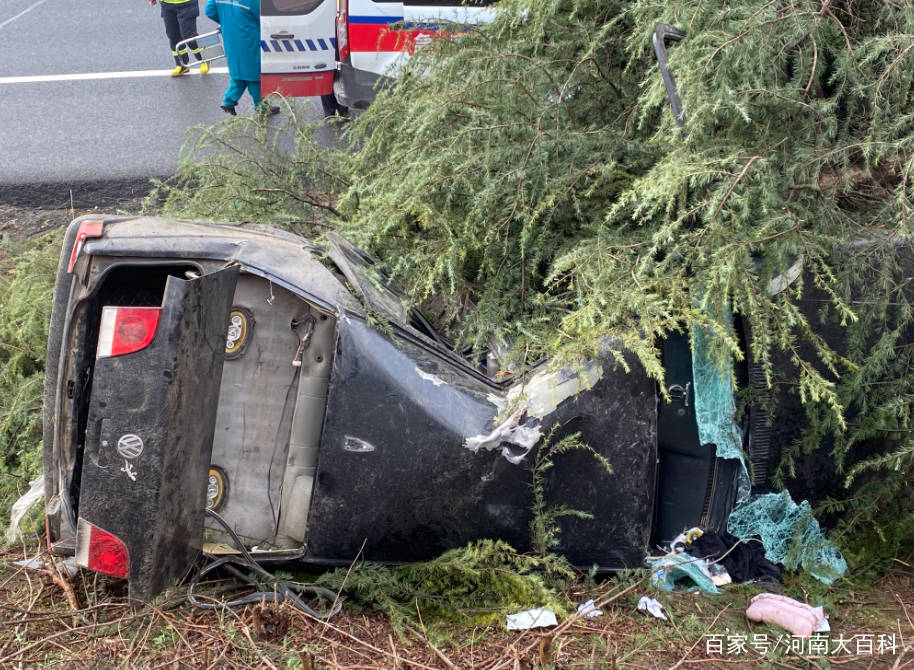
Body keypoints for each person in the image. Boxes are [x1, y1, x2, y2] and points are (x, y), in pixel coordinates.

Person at [204, 0, 278, 116]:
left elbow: (210, 11)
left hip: (230, 37)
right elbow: (262, 17)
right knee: (254, 75)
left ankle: (229, 101)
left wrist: (226, 22)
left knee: (239, 71)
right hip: (248, 37)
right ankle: (261, 107)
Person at [149, 0, 210, 77]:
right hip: (167, 5)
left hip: (186, 4)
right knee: (173, 36)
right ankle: (181, 64)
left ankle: (204, 59)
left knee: (189, 36)